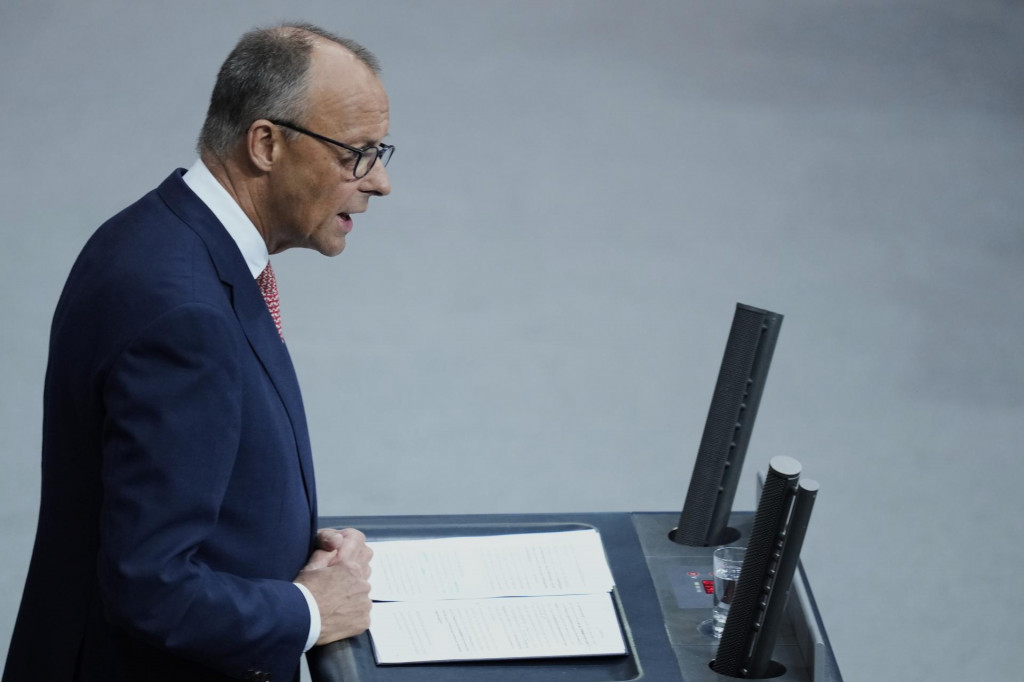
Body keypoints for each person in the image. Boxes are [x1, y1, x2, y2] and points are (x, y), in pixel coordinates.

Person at [3, 22, 392, 682]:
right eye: (354, 153)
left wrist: (304, 548)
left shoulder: (153, 233)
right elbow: (150, 586)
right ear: (266, 143)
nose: (378, 181)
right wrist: (310, 610)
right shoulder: (183, 312)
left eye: (379, 151)